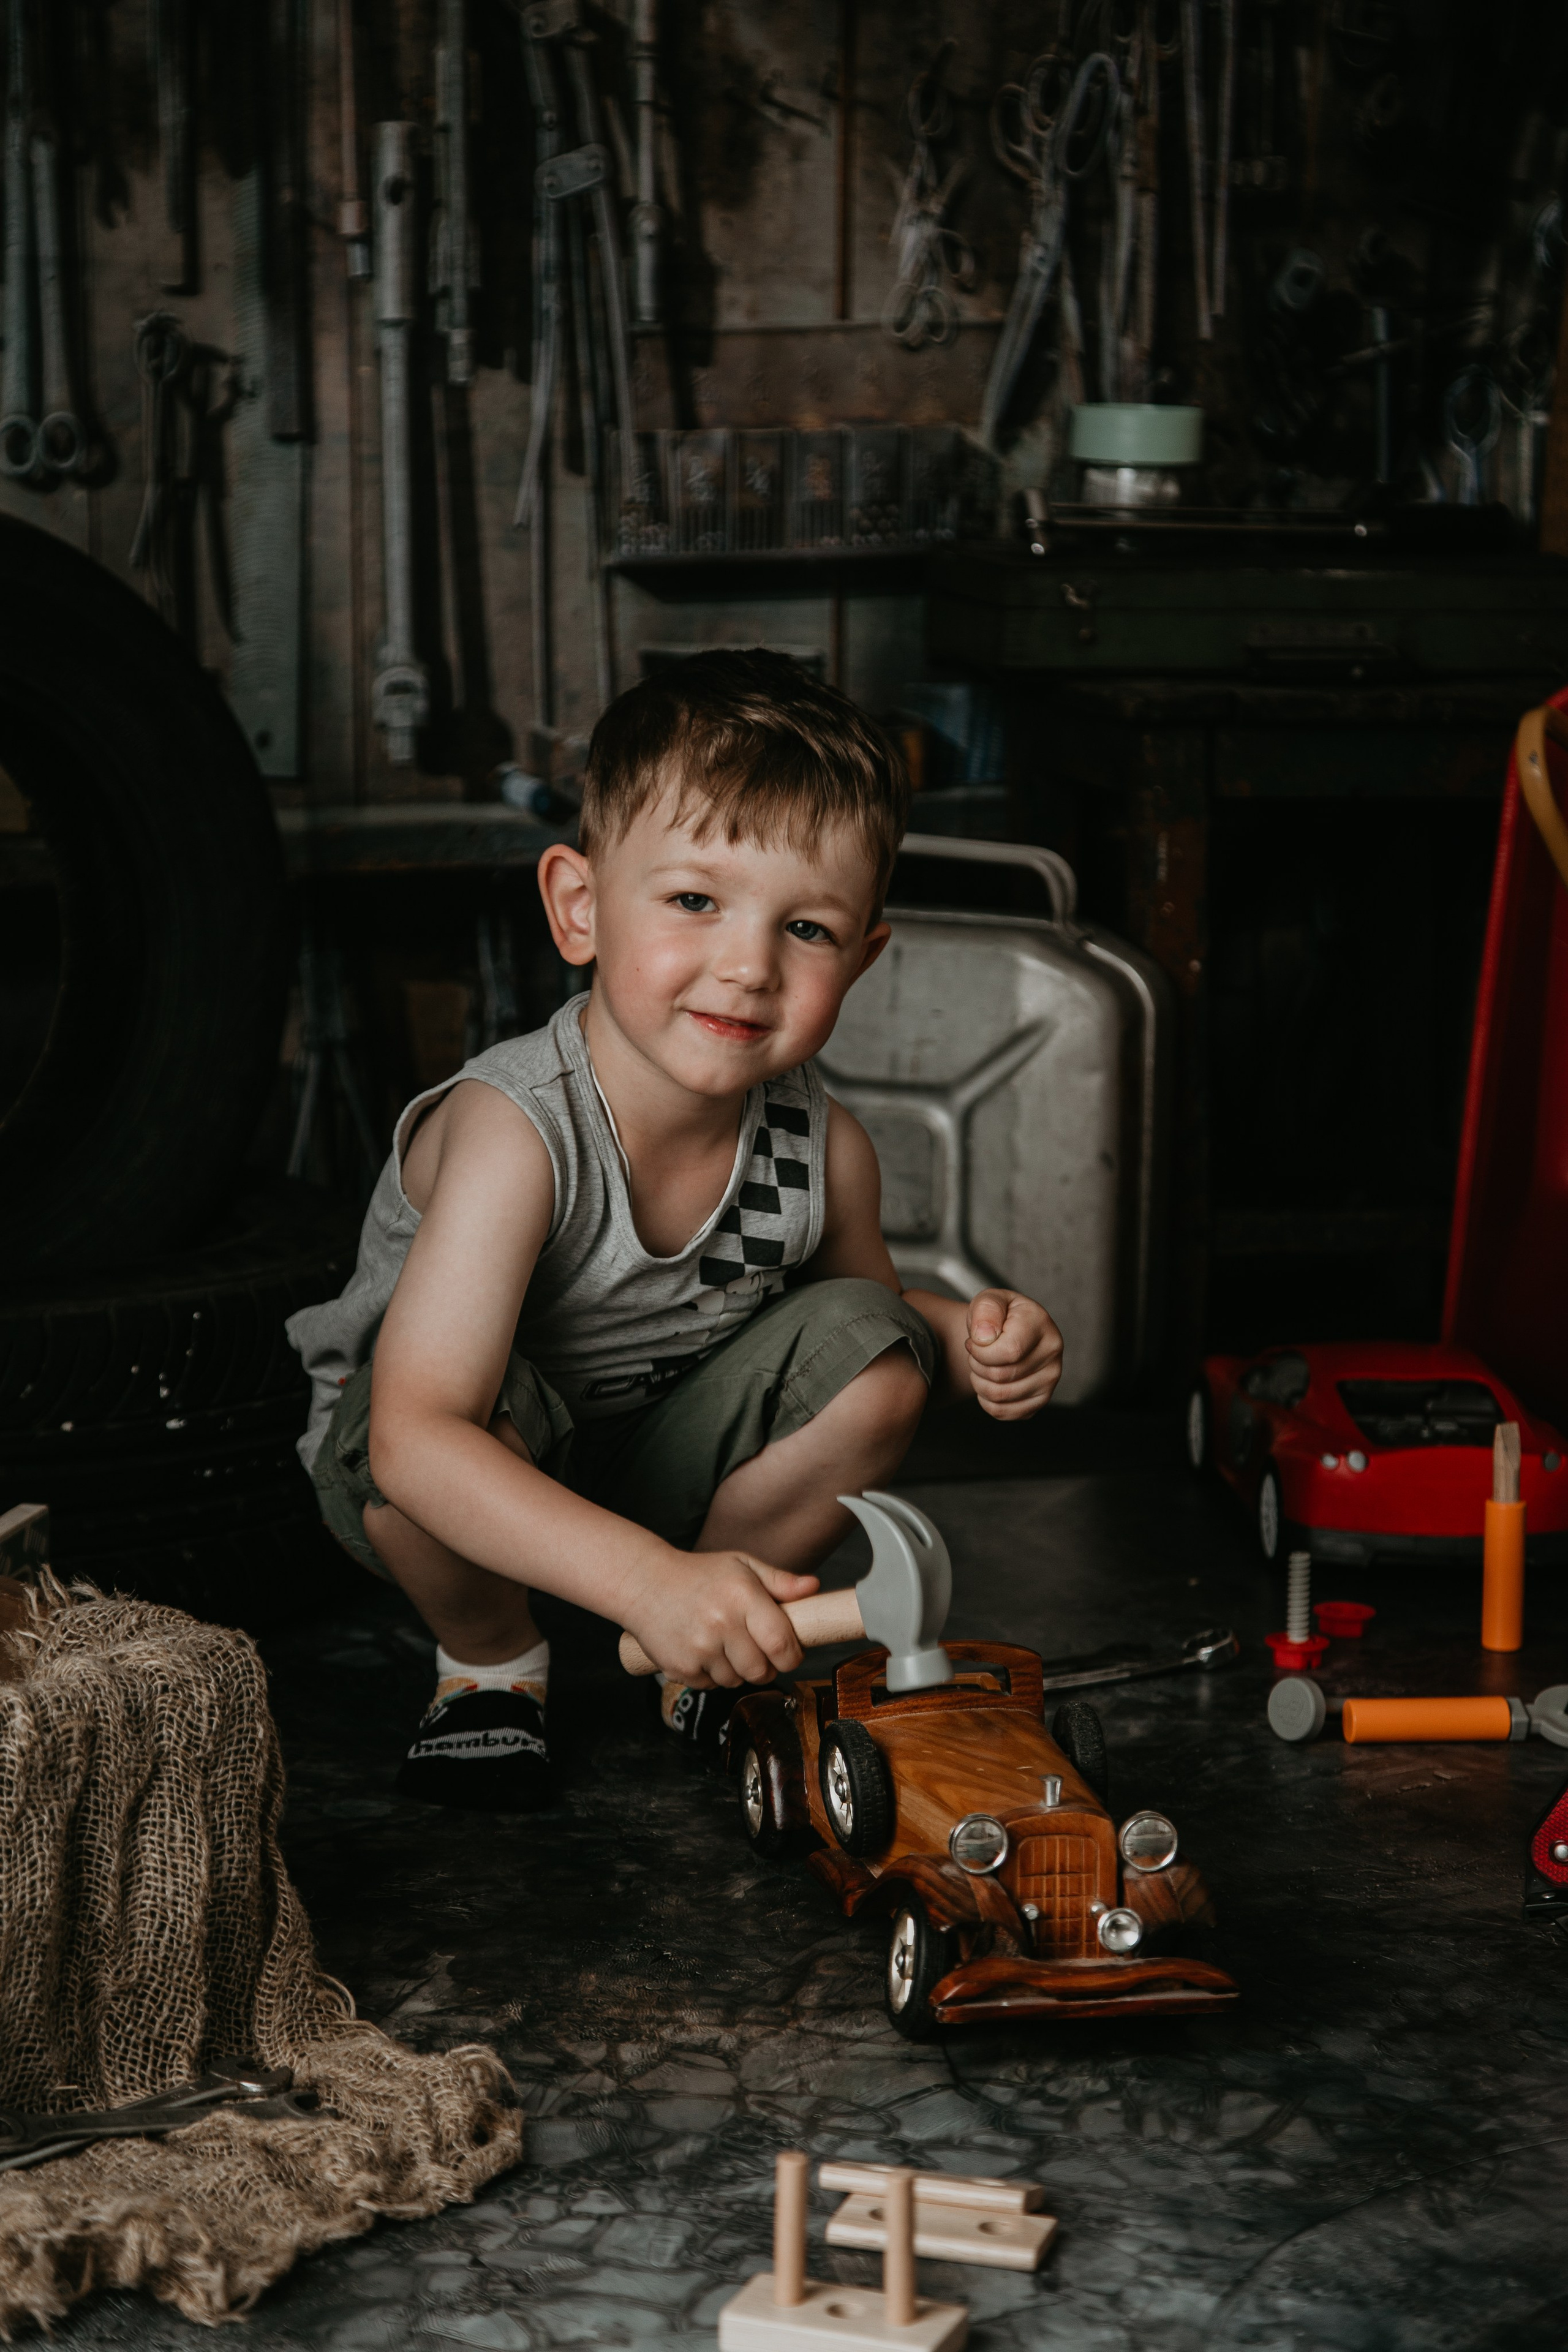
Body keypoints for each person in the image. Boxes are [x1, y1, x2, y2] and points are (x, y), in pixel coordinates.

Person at [287, 650, 1063, 1811]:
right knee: (426, 1447)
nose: (748, 966)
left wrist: (974, 1339)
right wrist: (645, 1580)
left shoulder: (821, 1147)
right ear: (581, 908)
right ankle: (494, 1662)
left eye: (806, 927)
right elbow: (415, 1438)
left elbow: (853, 1336)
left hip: (656, 1459)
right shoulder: (519, 1132)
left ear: (865, 957)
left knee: (883, 1354)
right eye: (695, 900)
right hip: (458, 1467)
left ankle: (714, 1622)